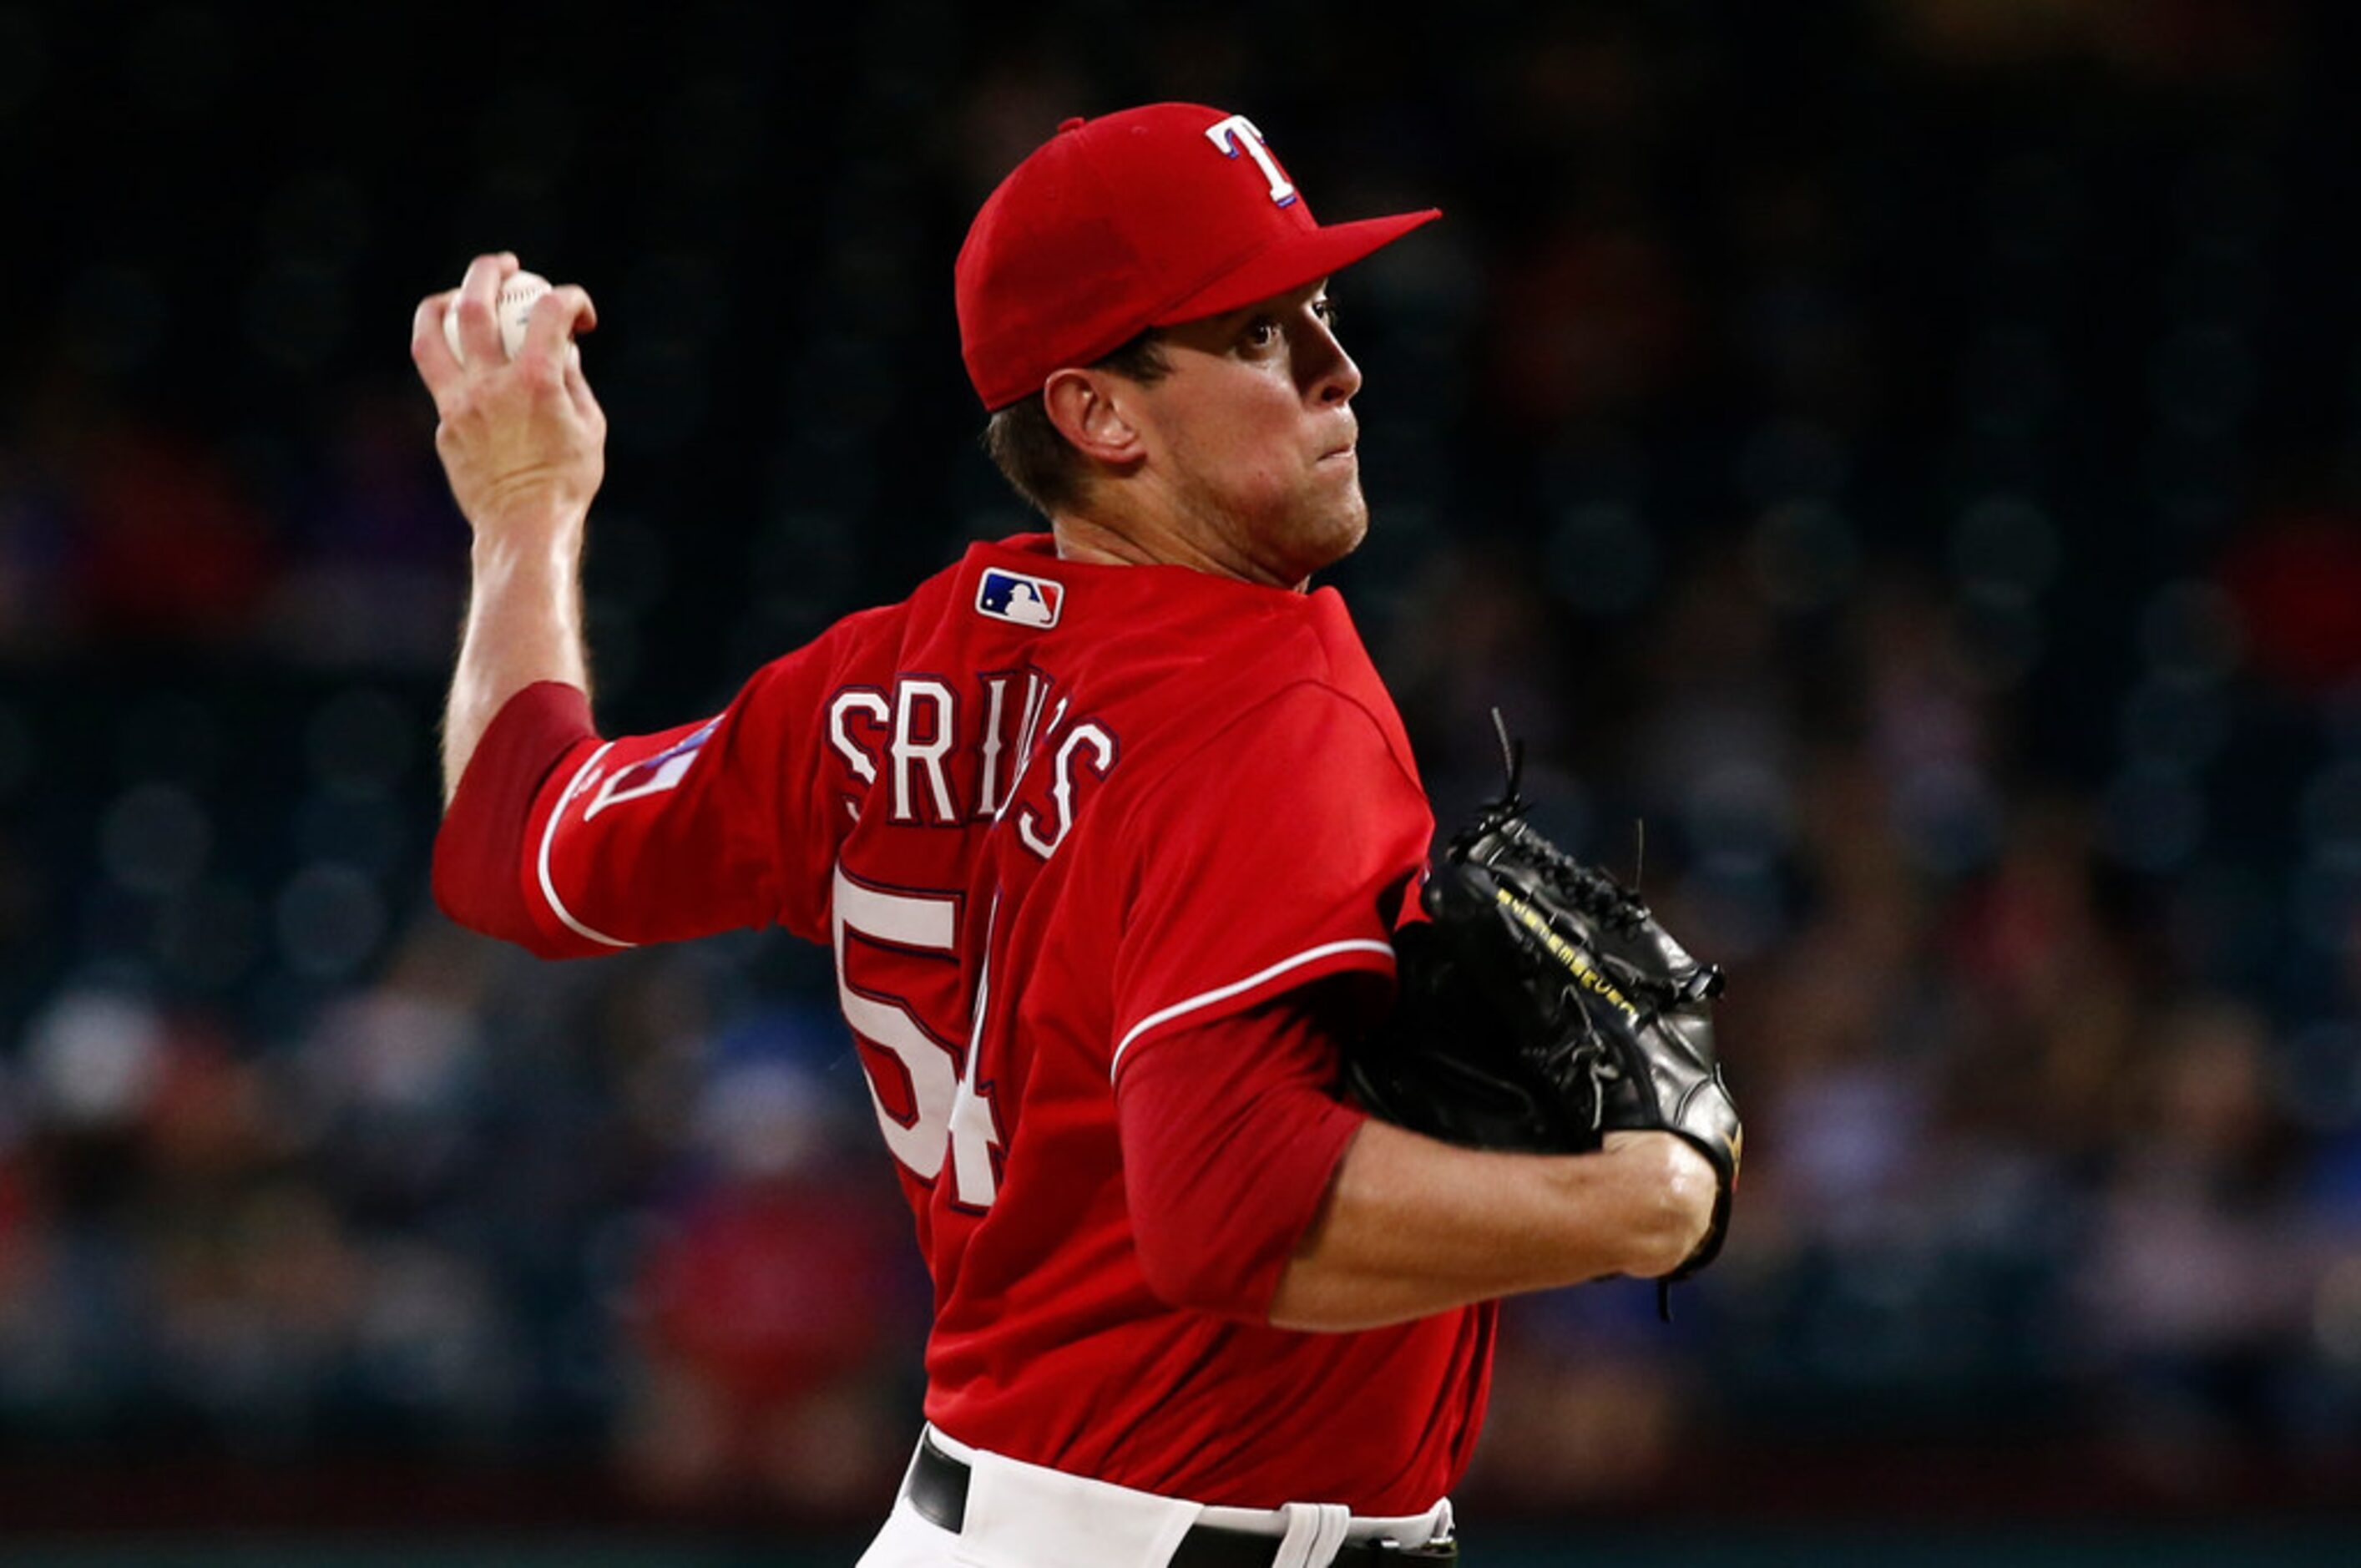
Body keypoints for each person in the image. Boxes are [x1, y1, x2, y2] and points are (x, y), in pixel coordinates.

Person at [412, 103, 1718, 1568]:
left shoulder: (869, 679)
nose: (1340, 369)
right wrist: (1634, 1204)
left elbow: (514, 836)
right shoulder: (1265, 701)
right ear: (1101, 415)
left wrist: (524, 508)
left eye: (1323, 308)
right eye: (1259, 334)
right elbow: (1225, 1215)